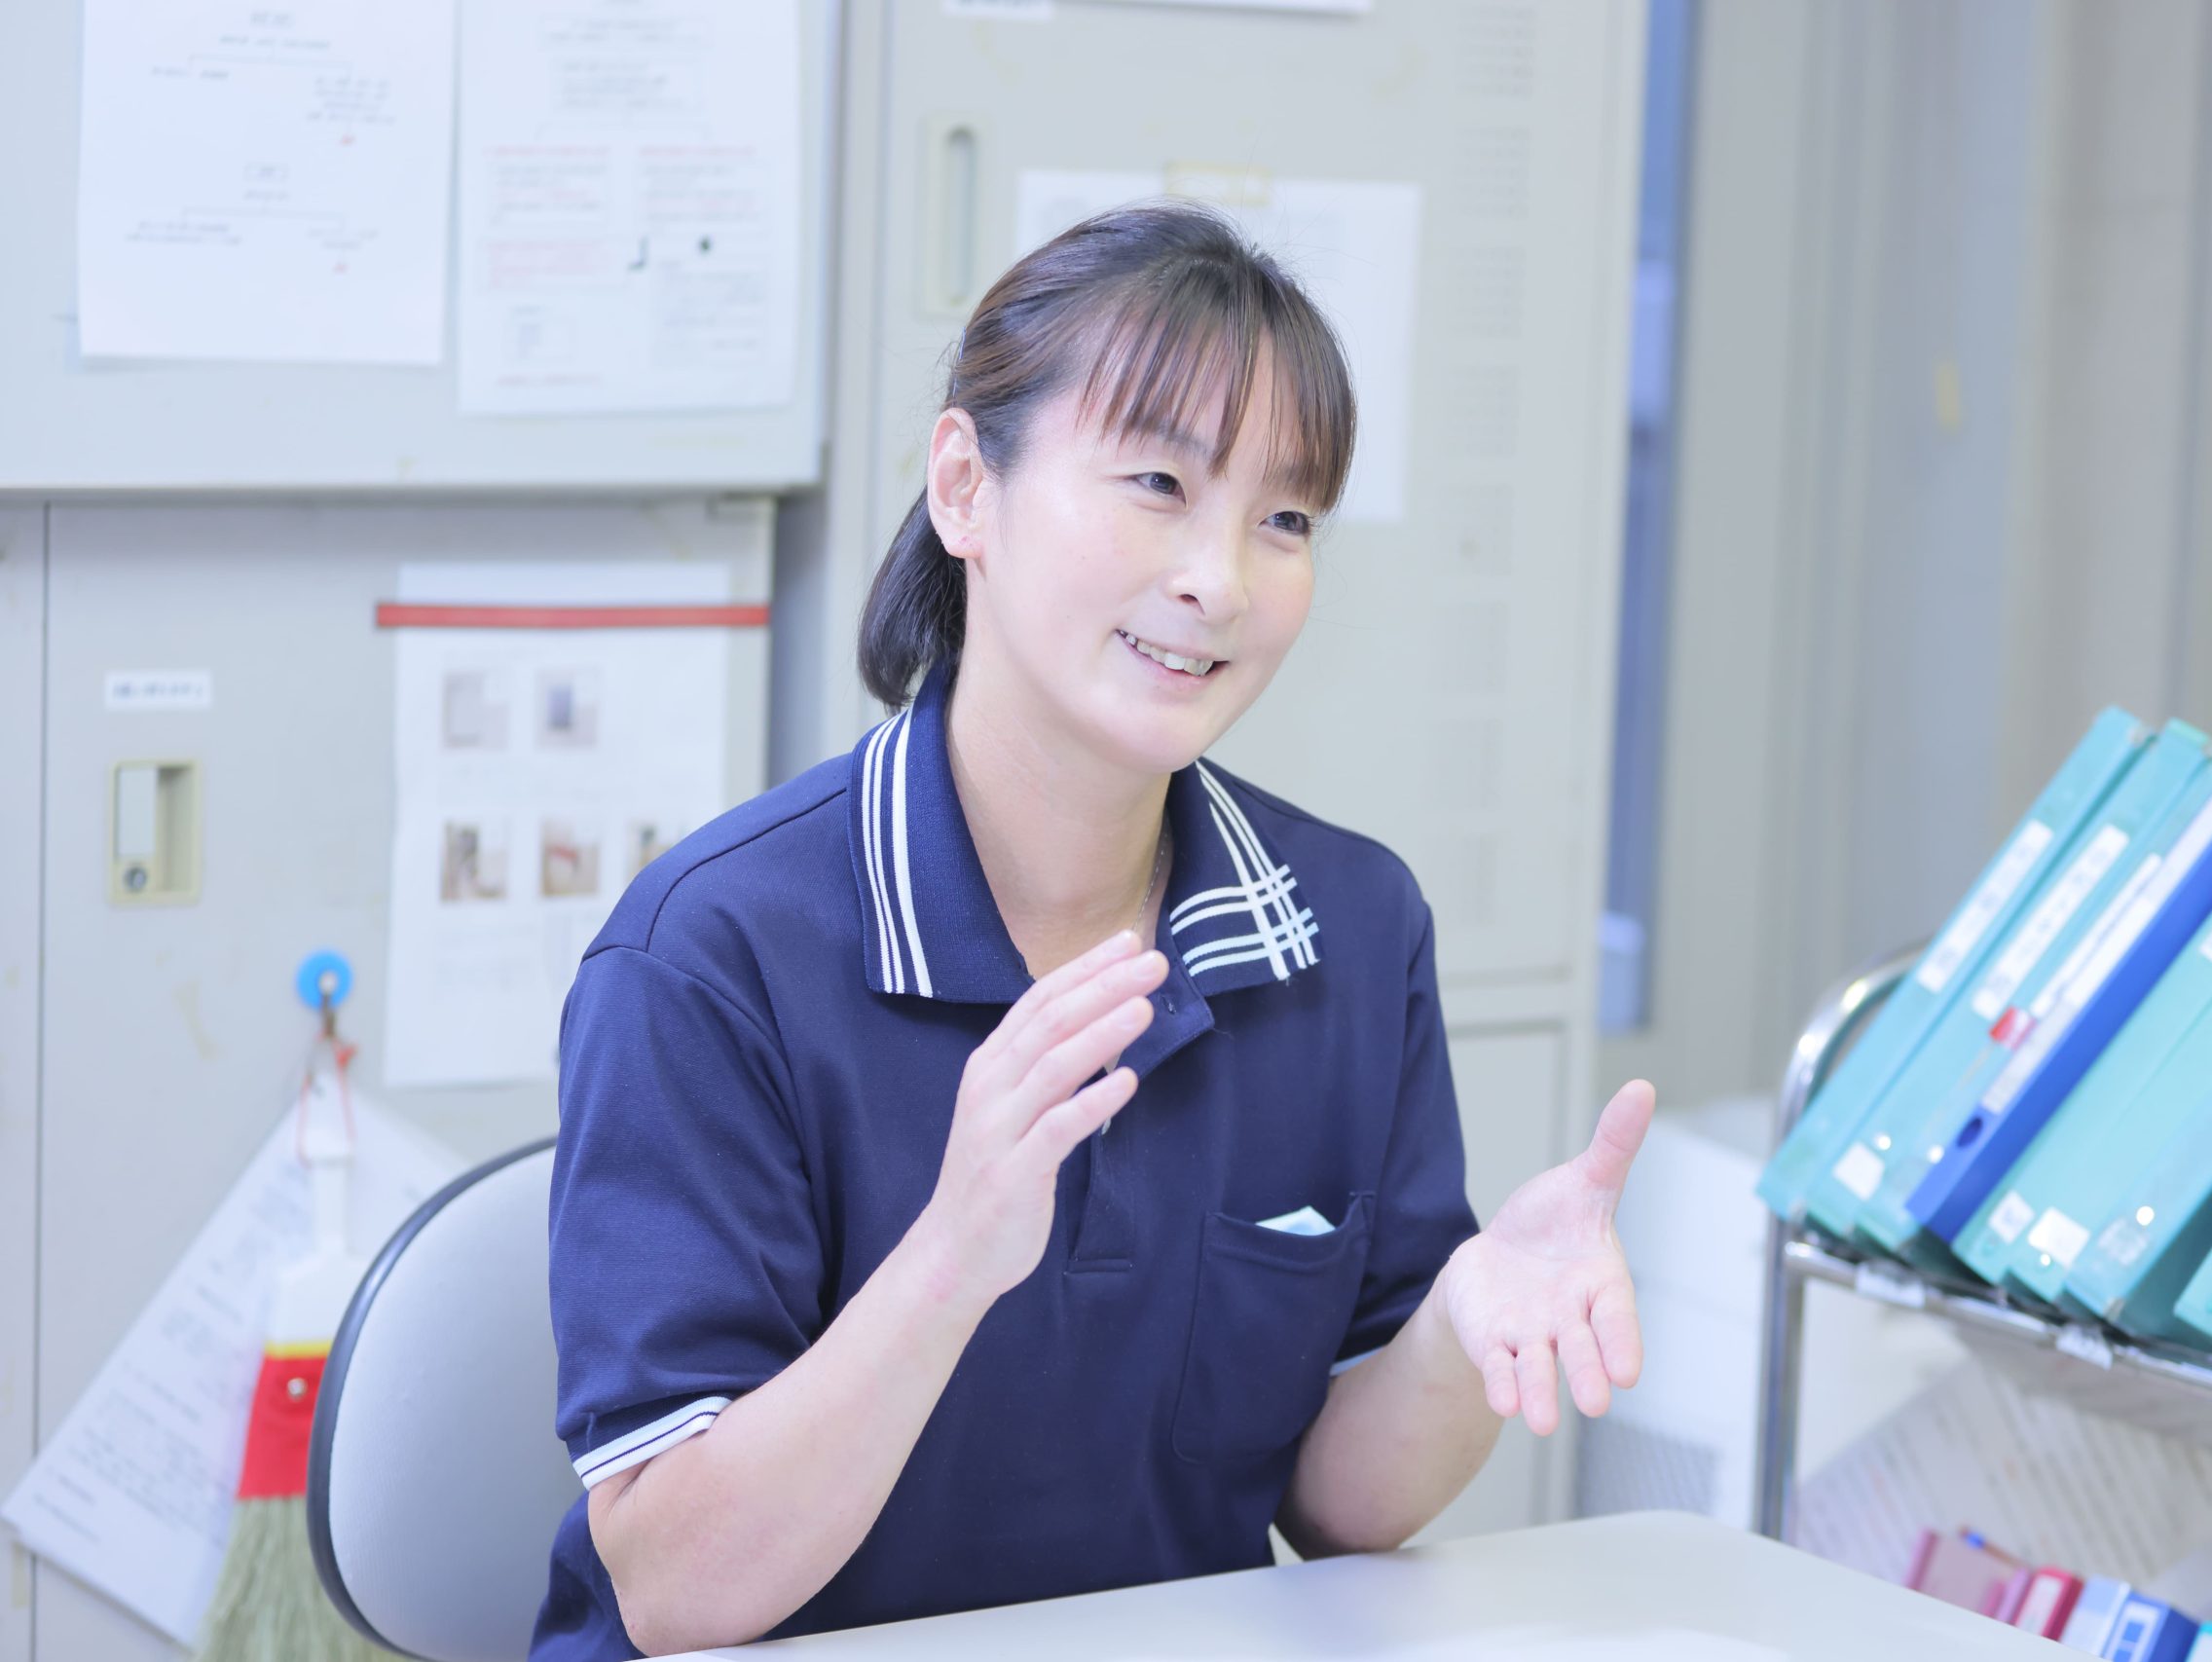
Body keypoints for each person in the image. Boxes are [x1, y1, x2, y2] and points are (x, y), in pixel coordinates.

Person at [533, 200, 1657, 1660]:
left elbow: (1340, 1511)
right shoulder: (712, 955)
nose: (1222, 580)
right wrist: (952, 1258)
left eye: (1285, 518)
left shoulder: (1350, 931)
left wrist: (1460, 1335)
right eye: (1157, 483)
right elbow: (675, 1590)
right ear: (965, 488)